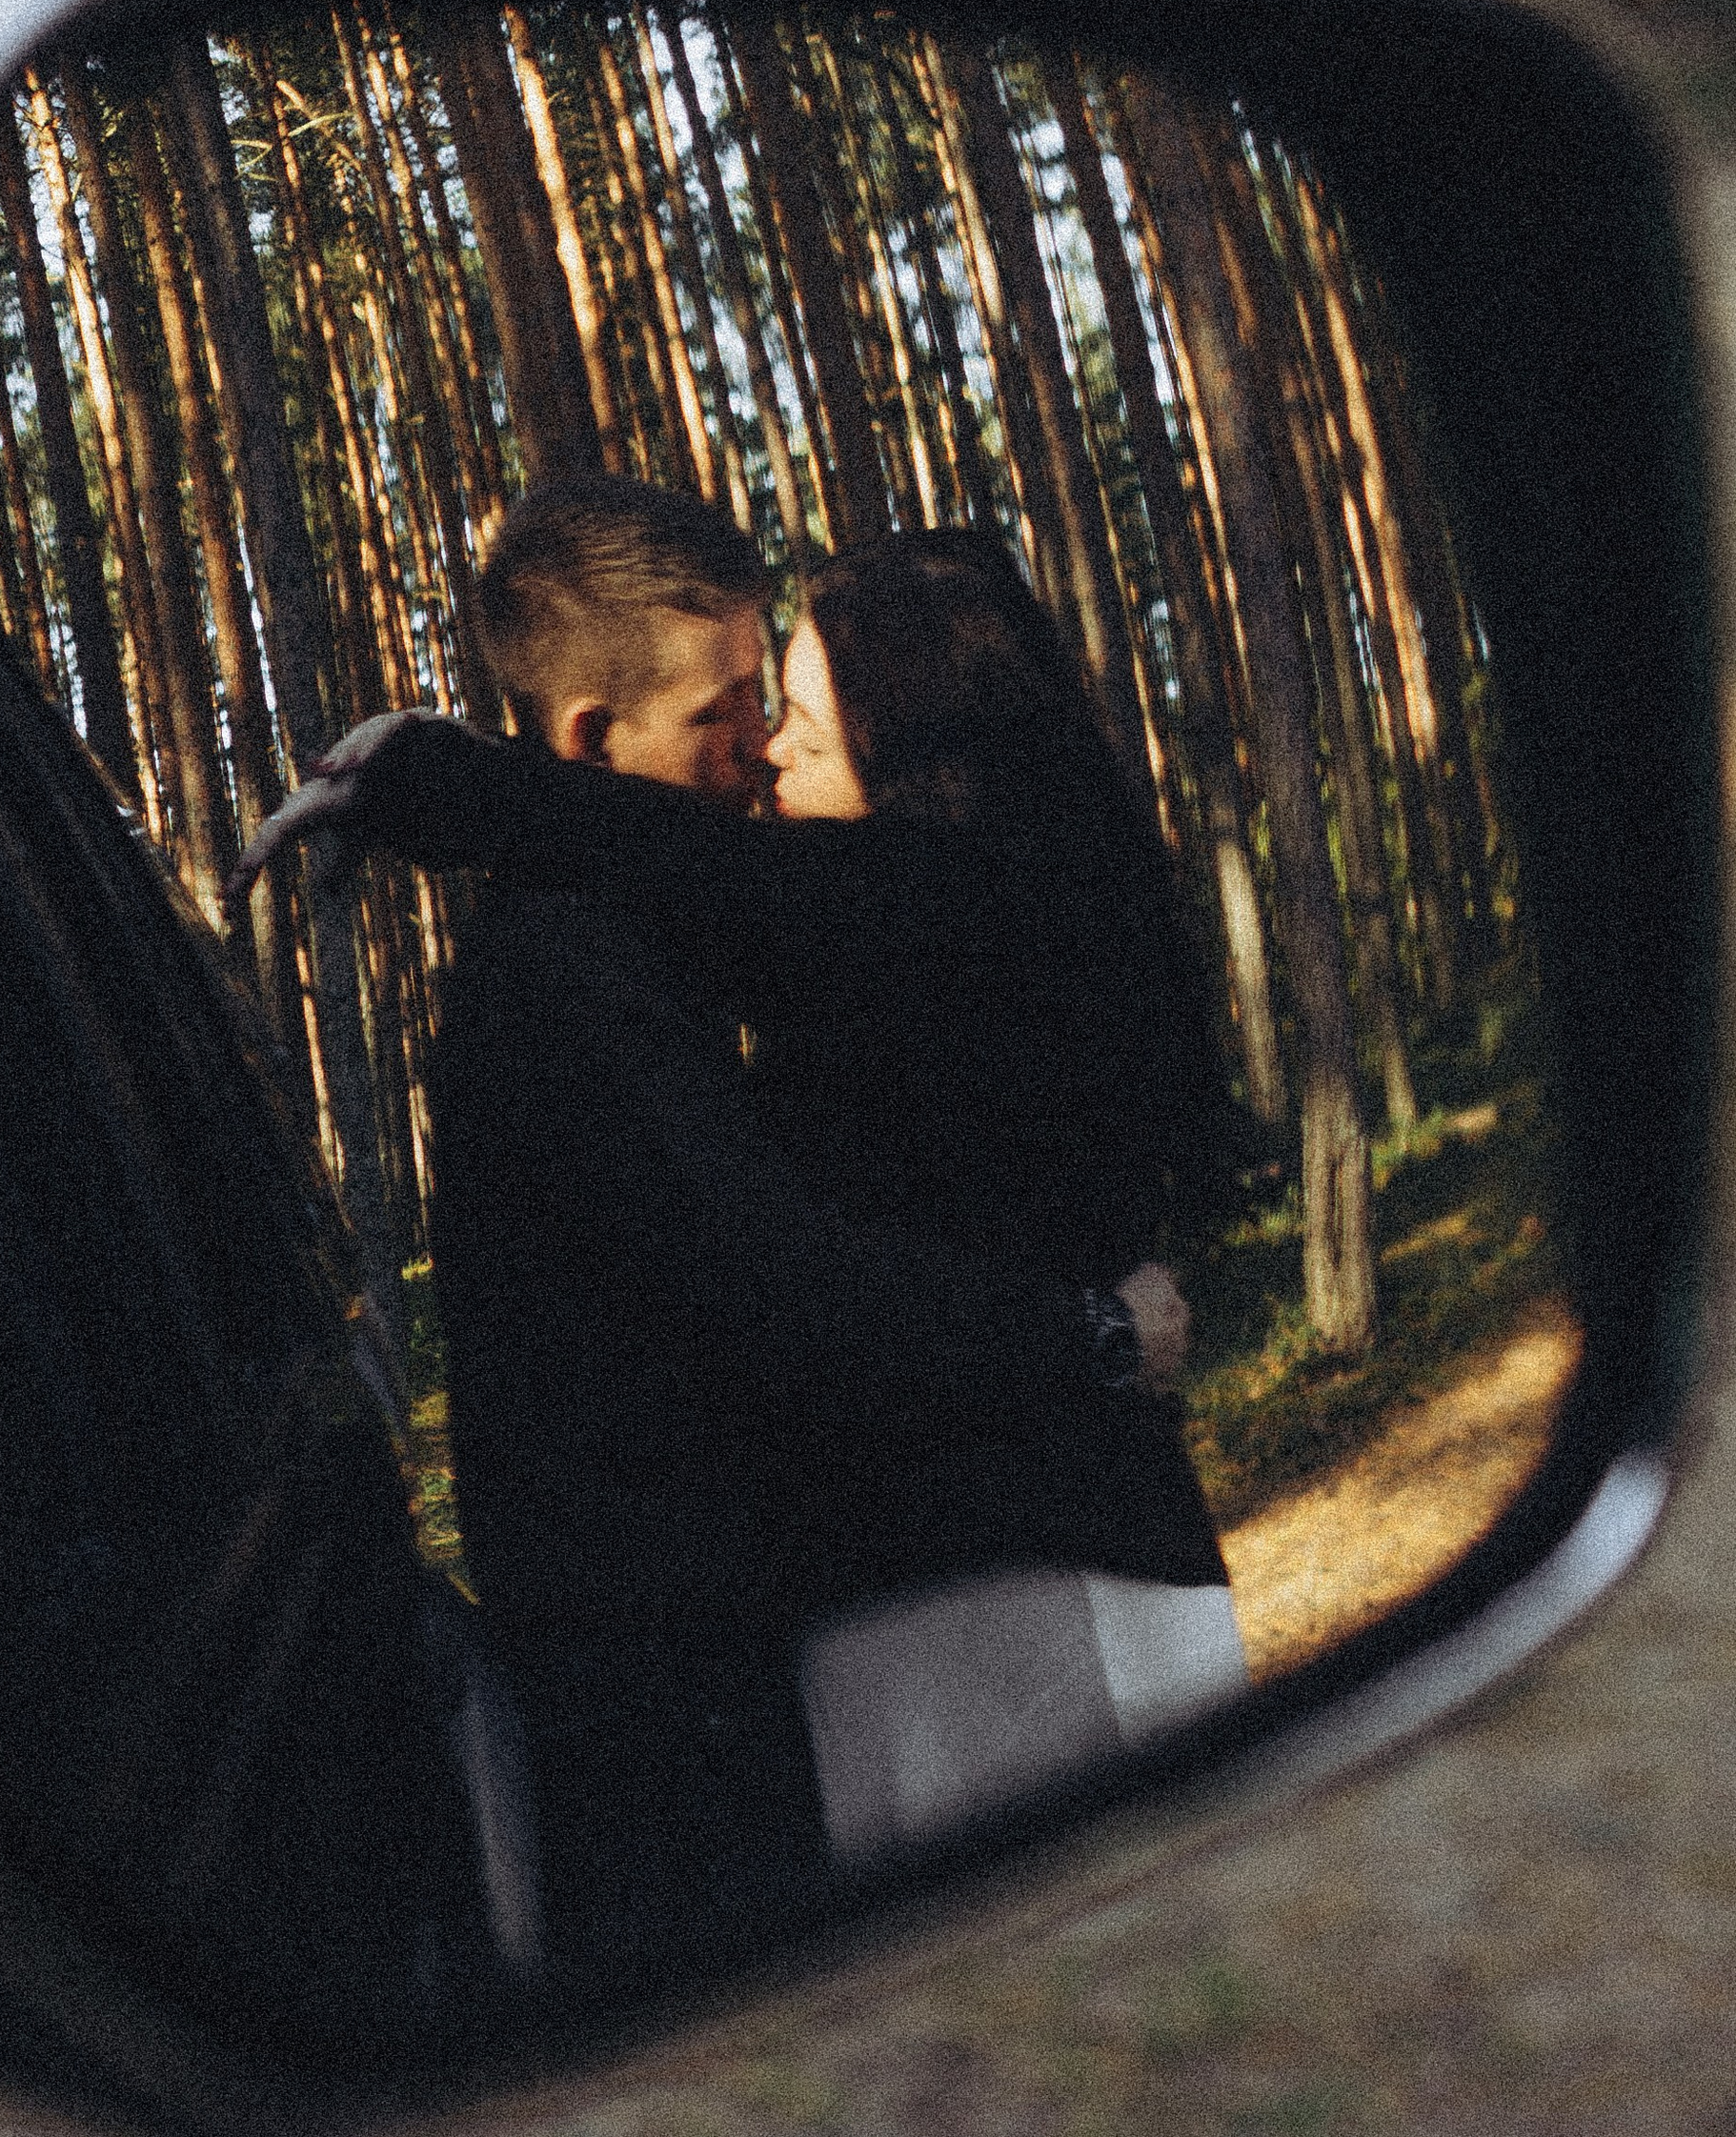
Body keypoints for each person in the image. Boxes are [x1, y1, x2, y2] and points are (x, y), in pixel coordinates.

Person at [240, 479, 1169, 2000]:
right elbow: (779, 1291)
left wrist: (440, 777)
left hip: (740, 1684)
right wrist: (1097, 1335)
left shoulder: (695, 929)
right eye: (726, 709)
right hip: (670, 1726)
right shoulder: (569, 974)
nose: (761, 744)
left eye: (774, 699)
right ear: (597, 739)